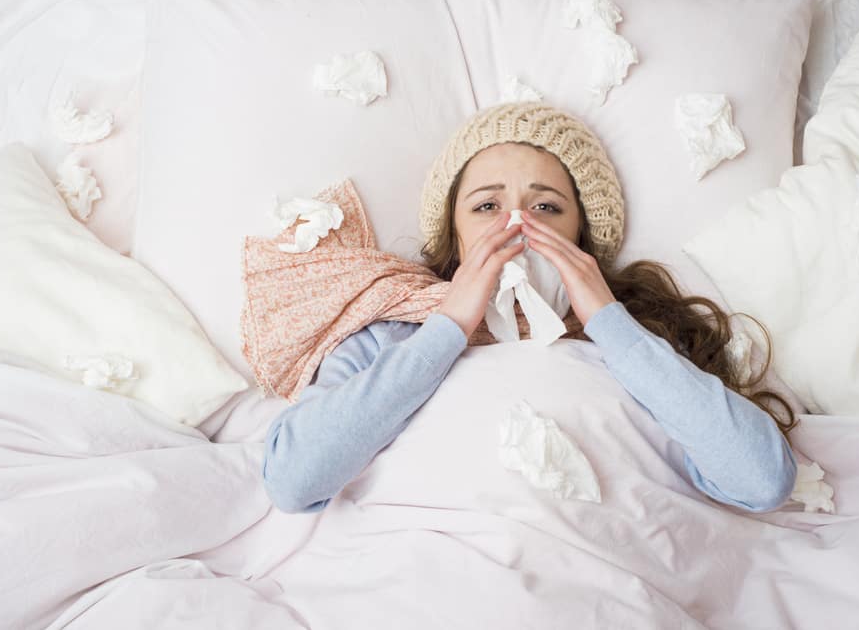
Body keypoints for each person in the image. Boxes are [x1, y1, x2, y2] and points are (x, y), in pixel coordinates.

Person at [261, 102, 798, 514]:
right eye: (487, 206)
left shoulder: (638, 337)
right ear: (454, 231)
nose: (516, 225)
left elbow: (761, 480)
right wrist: (447, 326)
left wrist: (609, 322)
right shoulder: (390, 335)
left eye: (545, 207)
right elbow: (293, 481)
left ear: (582, 236)